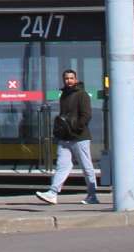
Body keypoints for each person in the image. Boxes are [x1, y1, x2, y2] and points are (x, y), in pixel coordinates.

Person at [35, 67, 100, 206]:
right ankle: (52, 193)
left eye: (71, 78)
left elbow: (86, 115)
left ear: (75, 79)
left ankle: (92, 195)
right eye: (66, 78)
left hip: (79, 137)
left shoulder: (82, 94)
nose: (69, 81)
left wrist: (75, 127)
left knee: (86, 166)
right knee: (62, 166)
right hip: (65, 138)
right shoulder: (63, 95)